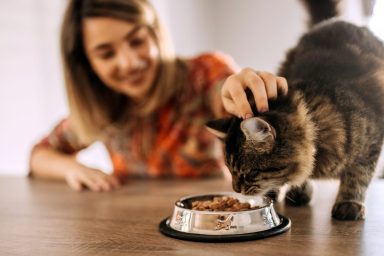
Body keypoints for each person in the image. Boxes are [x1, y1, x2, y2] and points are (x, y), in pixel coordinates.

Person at [29, 0, 288, 192]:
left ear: (155, 33)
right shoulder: (100, 108)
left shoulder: (204, 75)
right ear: (86, 66)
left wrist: (246, 95)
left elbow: (227, 93)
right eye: (107, 54)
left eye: (137, 41)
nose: (129, 62)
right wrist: (72, 168)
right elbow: (39, 155)